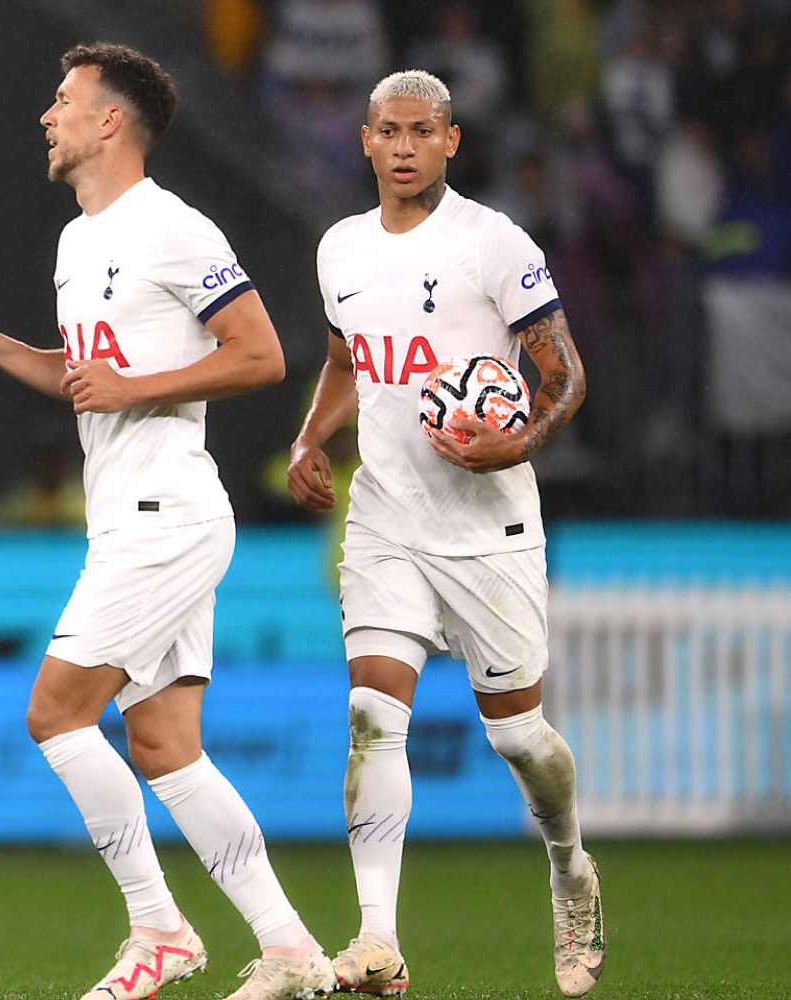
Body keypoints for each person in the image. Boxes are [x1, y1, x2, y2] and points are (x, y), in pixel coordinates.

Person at [0, 43, 332, 1000]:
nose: (48, 115)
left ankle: (158, 928)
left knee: (54, 712)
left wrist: (136, 384)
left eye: (63, 99)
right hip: (133, 518)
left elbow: (264, 355)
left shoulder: (173, 228)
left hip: (169, 514)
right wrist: (2, 352)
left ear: (111, 120)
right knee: (162, 746)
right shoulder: (78, 240)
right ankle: (290, 950)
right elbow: (90, 388)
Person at [285, 70, 600, 998]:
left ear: (452, 141)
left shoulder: (493, 245)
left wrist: (520, 439)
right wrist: (311, 436)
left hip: (489, 525)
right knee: (371, 717)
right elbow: (347, 359)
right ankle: (378, 941)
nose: (407, 145)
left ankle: (570, 866)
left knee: (519, 740)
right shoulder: (340, 248)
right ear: (368, 139)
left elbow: (566, 375)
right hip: (384, 518)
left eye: (425, 130)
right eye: (390, 131)